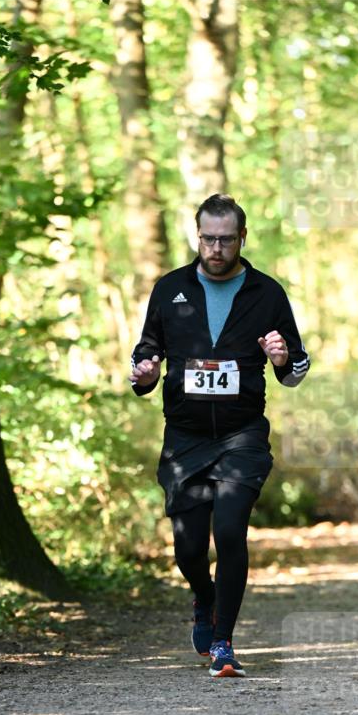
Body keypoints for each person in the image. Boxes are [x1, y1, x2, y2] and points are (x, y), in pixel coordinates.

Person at [129, 194, 310, 677]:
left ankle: (224, 642)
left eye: (226, 239)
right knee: (188, 551)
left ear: (242, 239)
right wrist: (144, 374)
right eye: (208, 238)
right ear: (197, 236)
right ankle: (203, 599)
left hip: (241, 436)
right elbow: (147, 351)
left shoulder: (267, 294)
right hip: (185, 438)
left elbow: (296, 369)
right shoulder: (171, 289)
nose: (216, 248)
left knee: (230, 531)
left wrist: (280, 359)